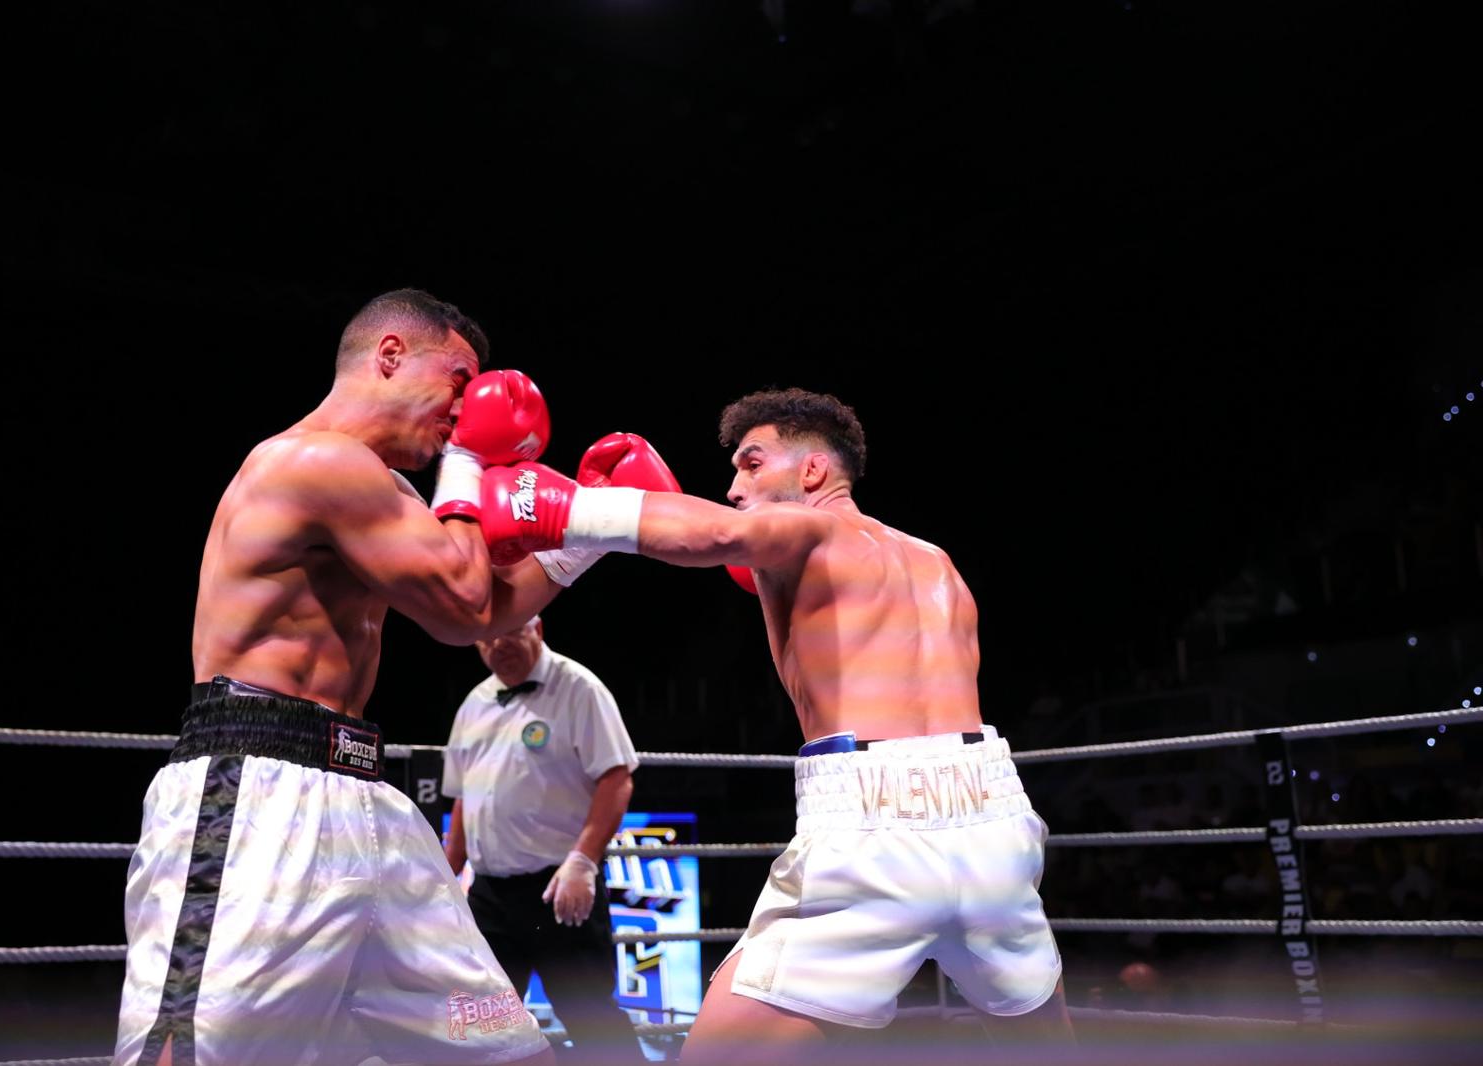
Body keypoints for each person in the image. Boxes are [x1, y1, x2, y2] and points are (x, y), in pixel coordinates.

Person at [470, 387, 1075, 1063]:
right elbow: (775, 578)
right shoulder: (936, 563)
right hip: (993, 822)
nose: (732, 487)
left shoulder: (811, 529)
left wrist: (563, 507)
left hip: (875, 829)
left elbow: (713, 538)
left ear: (813, 473)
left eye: (751, 464)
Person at [112, 288, 567, 1066]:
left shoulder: (385, 492)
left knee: (499, 1046)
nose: (470, 403)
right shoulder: (312, 462)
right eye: (460, 379)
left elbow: (485, 607)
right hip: (256, 794)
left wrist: (582, 542)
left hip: (366, 803)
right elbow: (462, 604)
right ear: (390, 355)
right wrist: (469, 458)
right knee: (200, 1054)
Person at [442, 614, 645, 1065]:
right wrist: (445, 880)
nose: (499, 644)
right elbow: (462, 800)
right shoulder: (474, 703)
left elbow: (617, 779)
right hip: (490, 895)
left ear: (538, 627)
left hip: (558, 890)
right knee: (481, 1020)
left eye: (511, 631)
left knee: (588, 1015)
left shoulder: (579, 688)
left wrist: (582, 862)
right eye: (487, 638)